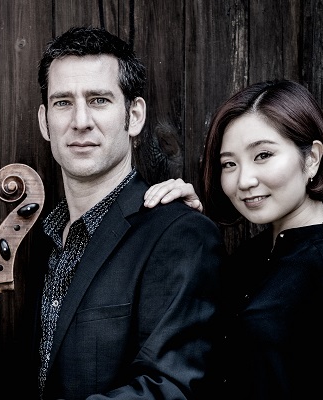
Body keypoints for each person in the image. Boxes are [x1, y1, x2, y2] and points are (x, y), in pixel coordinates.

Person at [143, 79, 323, 399]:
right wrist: (184, 224)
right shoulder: (248, 258)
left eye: (263, 155)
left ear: (312, 158)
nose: (244, 180)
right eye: (229, 164)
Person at [31, 26, 224, 399]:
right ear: (44, 121)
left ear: (134, 115)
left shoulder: (179, 233)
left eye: (99, 100)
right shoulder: (38, 241)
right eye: (63, 102)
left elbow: (171, 388)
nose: (80, 121)